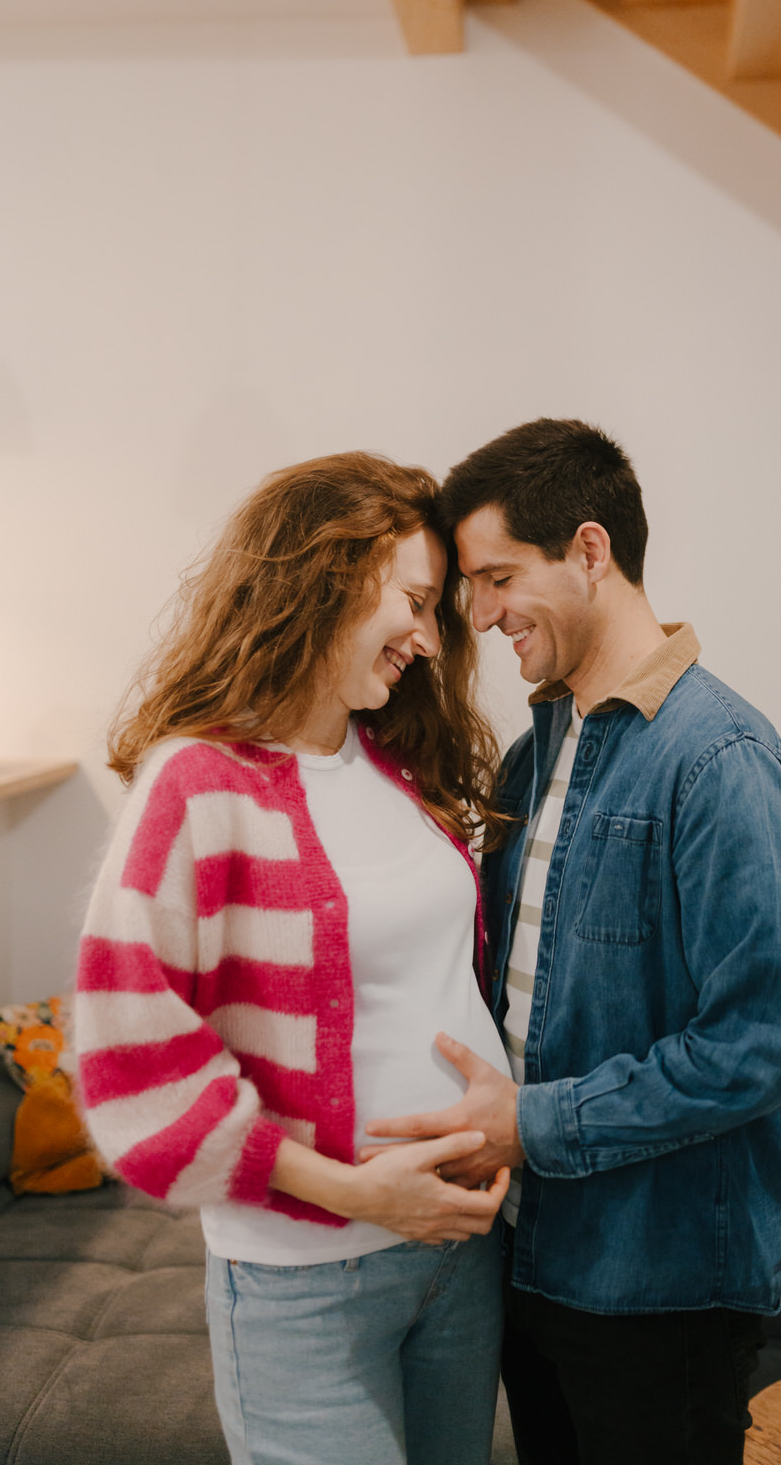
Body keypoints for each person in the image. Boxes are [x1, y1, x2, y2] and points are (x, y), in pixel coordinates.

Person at [364, 419, 781, 1464]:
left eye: (495, 577)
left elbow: (756, 1049)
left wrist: (531, 1123)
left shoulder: (722, 764)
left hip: (659, 1288)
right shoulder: (536, 756)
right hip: (533, 1258)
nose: (478, 614)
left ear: (589, 551)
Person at [73, 452, 513, 1465]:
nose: (424, 637)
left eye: (434, 609)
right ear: (323, 580)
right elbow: (130, 1069)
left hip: (456, 1258)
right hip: (306, 1281)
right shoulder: (198, 783)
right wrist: (362, 1193)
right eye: (412, 600)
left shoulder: (398, 767)